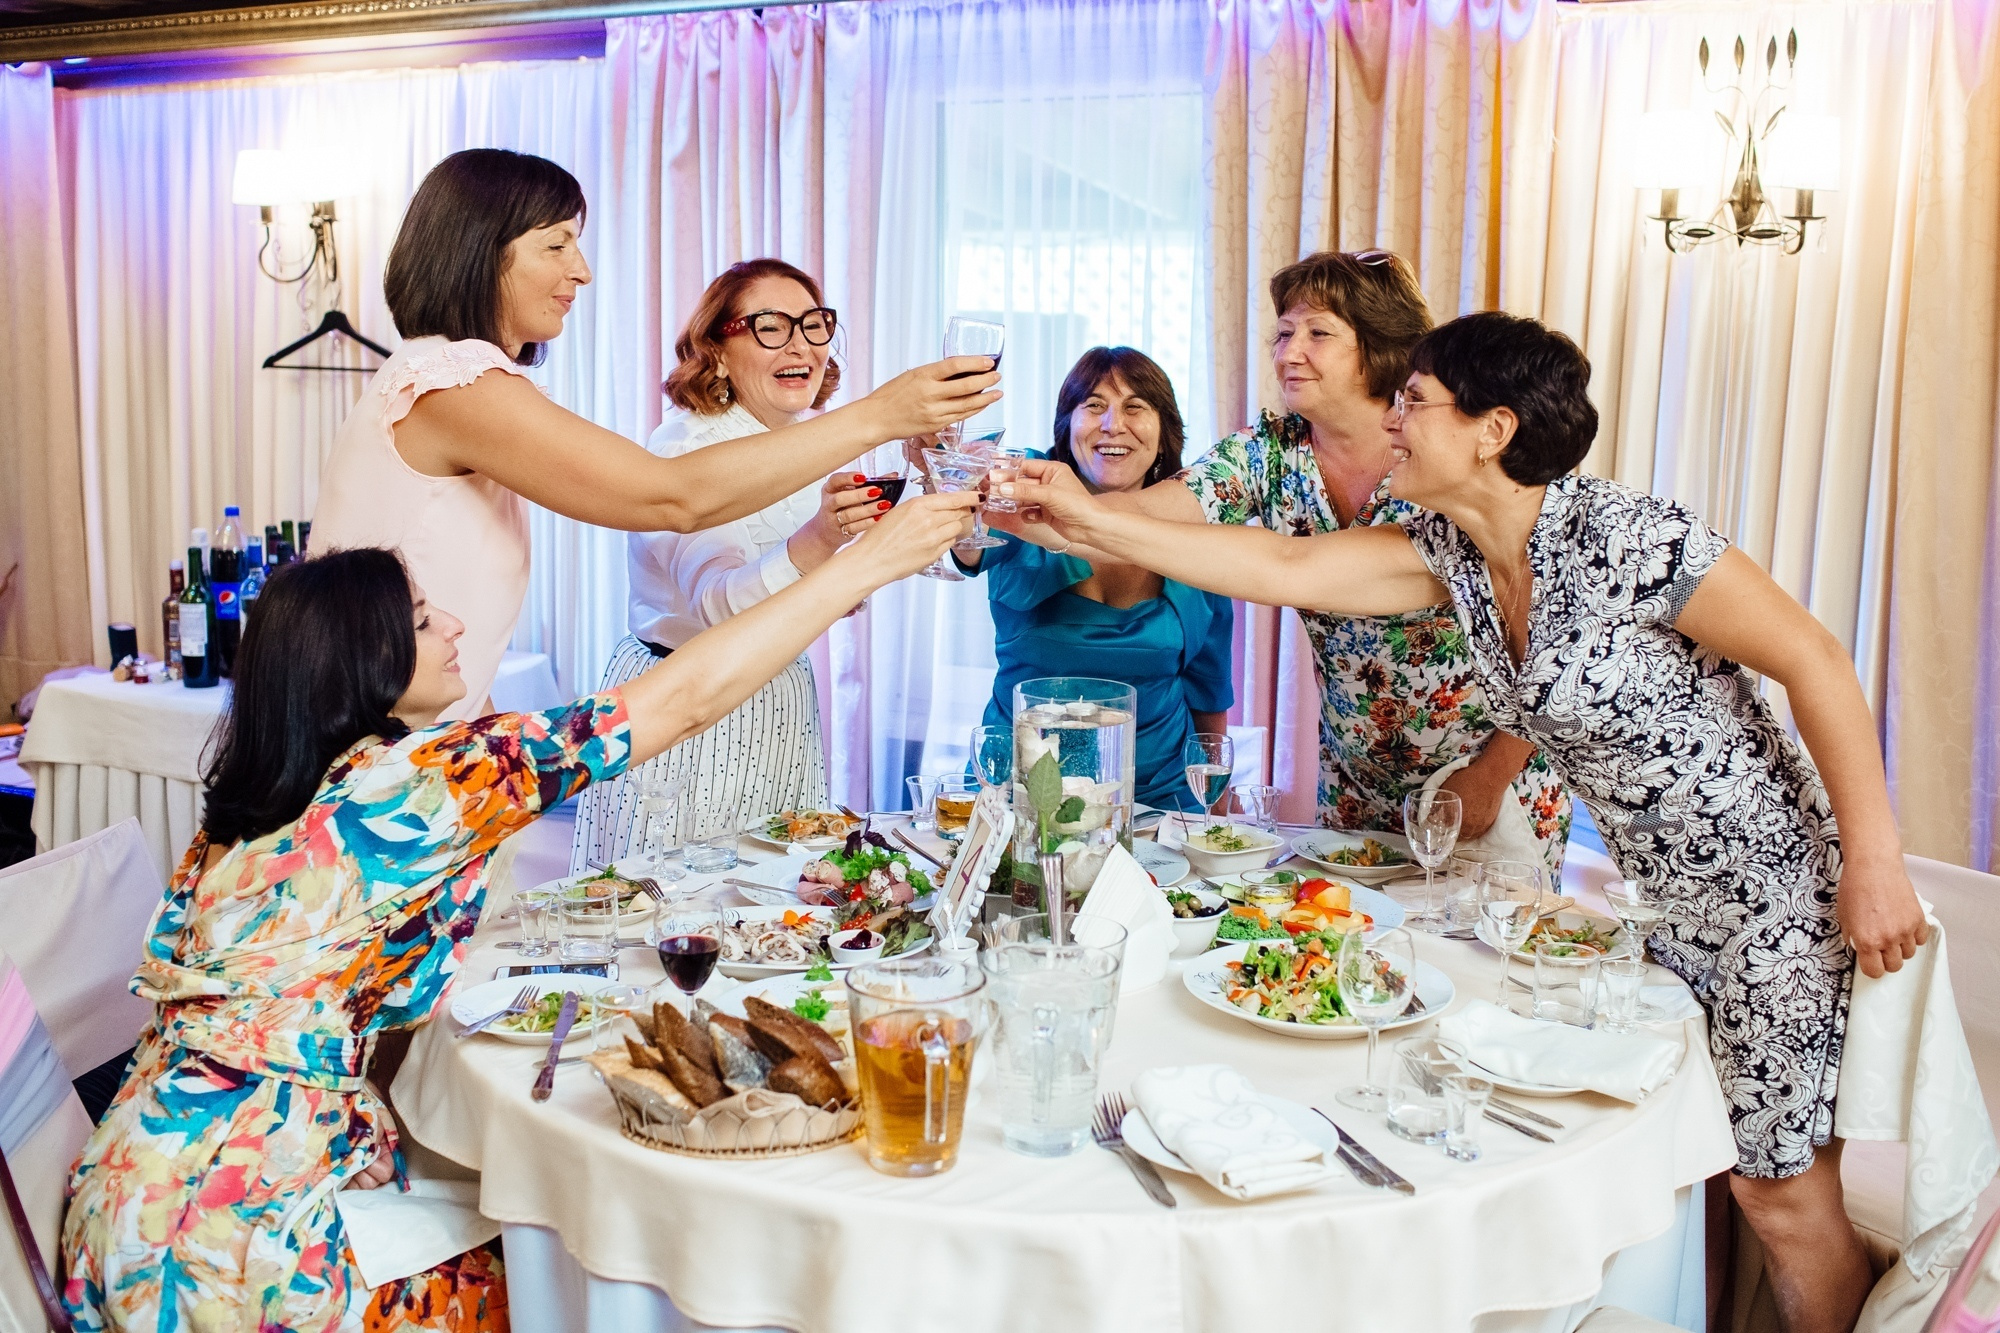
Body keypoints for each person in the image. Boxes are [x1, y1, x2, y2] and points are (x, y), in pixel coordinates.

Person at [1004, 310, 1930, 1333]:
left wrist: (1873, 860)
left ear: (1490, 430)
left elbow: (1815, 661)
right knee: (1707, 1159)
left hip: (1770, 893)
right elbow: (1279, 569)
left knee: (1780, 1193)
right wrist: (1083, 519)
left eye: (1414, 400)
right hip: (1654, 903)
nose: (1391, 418)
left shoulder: (1629, 537)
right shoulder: (1449, 551)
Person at [59, 493, 979, 1333]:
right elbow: (685, 699)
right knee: (582, 1270)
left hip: (125, 1196)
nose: (456, 625)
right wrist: (869, 560)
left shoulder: (260, 802)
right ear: (360, 665)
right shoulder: (418, 785)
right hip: (226, 1254)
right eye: (423, 618)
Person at [312, 148, 999, 719]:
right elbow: (672, 497)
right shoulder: (449, 385)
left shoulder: (459, 382)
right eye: (557, 244)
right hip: (368, 742)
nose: (581, 269)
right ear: (478, 253)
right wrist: (883, 412)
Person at [1013, 252, 1568, 867]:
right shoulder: (1270, 454)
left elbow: (1550, 631)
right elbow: (1145, 518)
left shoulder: (1442, 458)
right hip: (1356, 778)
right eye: (1283, 332)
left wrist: (1492, 775)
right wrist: (1024, 506)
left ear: (1379, 346)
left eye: (1318, 332)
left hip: (1489, 773)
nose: (1288, 351)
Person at [570, 258, 882, 866]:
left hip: (777, 696)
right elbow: (719, 607)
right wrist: (823, 539)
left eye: (814, 324)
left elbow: (812, 589)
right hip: (687, 698)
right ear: (716, 349)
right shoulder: (685, 450)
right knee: (674, 914)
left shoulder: (807, 440)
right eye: (771, 326)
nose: (800, 344)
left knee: (775, 910)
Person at [946, 347, 1232, 810]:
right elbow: (966, 542)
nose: (1112, 424)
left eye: (1136, 407)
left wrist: (1216, 823)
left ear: (1164, 435)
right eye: (1094, 405)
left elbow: (1209, 696)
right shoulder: (1025, 493)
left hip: (1160, 805)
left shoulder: (1198, 533)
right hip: (1018, 799)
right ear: (1067, 426)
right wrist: (952, 476)